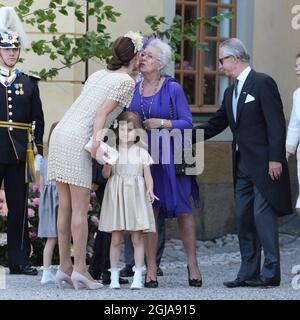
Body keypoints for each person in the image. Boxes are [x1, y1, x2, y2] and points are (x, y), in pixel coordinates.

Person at [193, 38, 292, 288]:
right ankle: (248, 272)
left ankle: (270, 272)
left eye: (222, 60)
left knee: (262, 216)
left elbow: (276, 124)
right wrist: (183, 137)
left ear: (235, 59)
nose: (219, 65)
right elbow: (216, 124)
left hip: (264, 165)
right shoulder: (230, 92)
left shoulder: (262, 83)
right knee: (244, 217)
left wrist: (275, 158)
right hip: (241, 166)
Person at [47, 32, 142, 290]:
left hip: (60, 133)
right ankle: (80, 270)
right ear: (135, 56)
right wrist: (98, 144)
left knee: (64, 207)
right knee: (80, 209)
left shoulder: (99, 75)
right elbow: (101, 113)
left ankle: (64, 267)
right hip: (79, 138)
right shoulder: (125, 81)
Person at [130, 38, 202, 288]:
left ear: (160, 63)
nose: (142, 59)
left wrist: (161, 123)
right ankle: (151, 268)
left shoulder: (172, 88)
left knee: (183, 210)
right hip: (147, 157)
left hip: (174, 154)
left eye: (148, 56)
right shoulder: (134, 88)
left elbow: (187, 122)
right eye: (142, 55)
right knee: (151, 211)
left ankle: (192, 263)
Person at [0, 7, 44, 275]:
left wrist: (38, 150)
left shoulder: (28, 82)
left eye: (14, 49)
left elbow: (38, 118)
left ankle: (17, 260)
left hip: (18, 152)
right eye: (6, 49)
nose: (11, 53)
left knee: (18, 208)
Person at [98, 111, 157, 289]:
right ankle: (114, 275)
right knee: (116, 238)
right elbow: (105, 175)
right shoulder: (112, 151)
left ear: (137, 132)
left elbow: (148, 175)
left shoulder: (141, 152)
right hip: (117, 195)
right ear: (117, 131)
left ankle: (138, 275)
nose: (126, 134)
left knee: (137, 238)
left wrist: (150, 189)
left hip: (136, 195)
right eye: (122, 130)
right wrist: (107, 165)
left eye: (130, 130)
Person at [87, 159, 129, 285]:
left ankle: (97, 268)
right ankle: (106, 269)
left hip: (106, 174)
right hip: (105, 174)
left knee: (107, 222)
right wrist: (95, 178)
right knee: (110, 223)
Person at [38, 122, 59, 284]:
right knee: (61, 237)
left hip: (47, 203)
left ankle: (46, 271)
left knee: (50, 239)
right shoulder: (60, 160)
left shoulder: (45, 160)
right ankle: (53, 271)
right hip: (58, 201)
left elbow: (42, 185)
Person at [286, 53, 300, 217]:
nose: (297, 69)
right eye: (296, 66)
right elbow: (295, 125)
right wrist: (287, 150)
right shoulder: (297, 94)